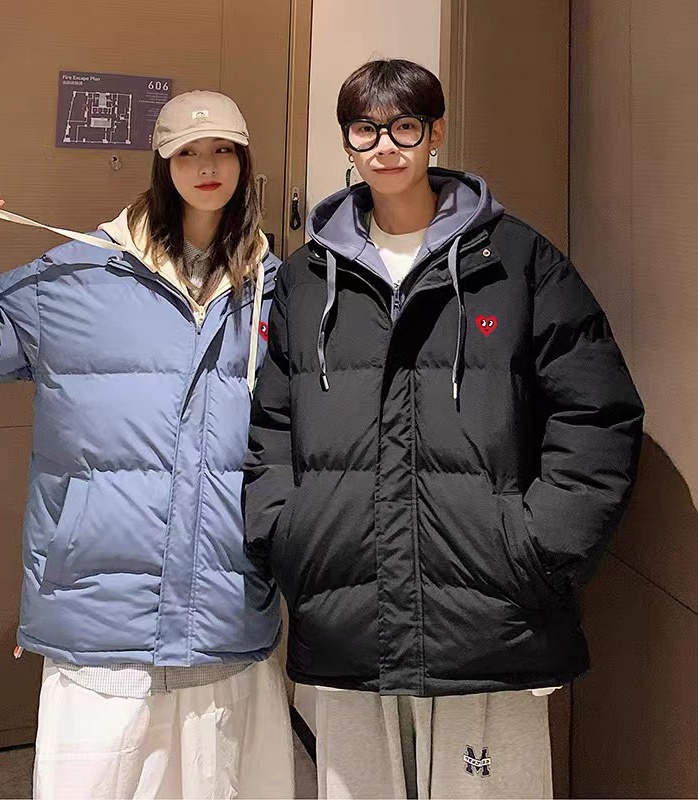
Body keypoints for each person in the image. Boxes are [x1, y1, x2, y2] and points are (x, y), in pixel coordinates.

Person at [243, 59, 643, 799]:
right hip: (346, 603)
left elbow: (597, 413)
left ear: (435, 133)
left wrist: (537, 549)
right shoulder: (306, 278)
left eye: (404, 127)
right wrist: (288, 535)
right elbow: (271, 424)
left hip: (491, 608)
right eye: (366, 129)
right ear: (347, 141)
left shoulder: (516, 261)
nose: (385, 146)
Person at [0, 90, 294, 800]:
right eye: (188, 152)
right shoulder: (81, 274)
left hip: (226, 604)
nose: (207, 166)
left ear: (245, 163)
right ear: (162, 163)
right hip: (98, 608)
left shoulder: (275, 290)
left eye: (224, 151)